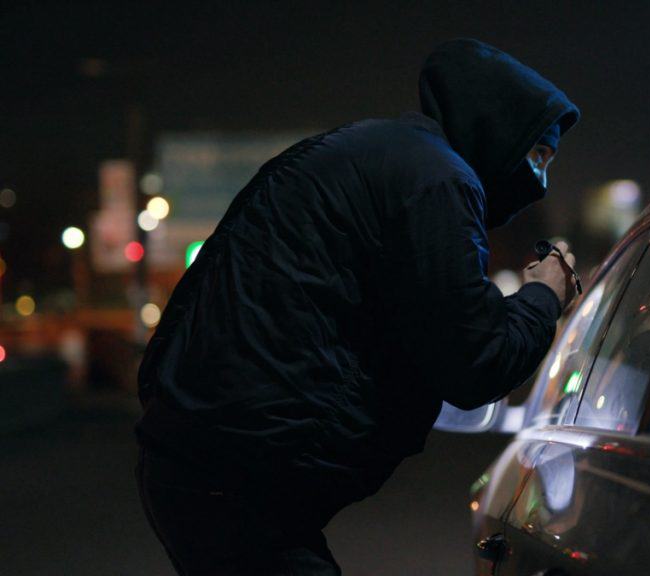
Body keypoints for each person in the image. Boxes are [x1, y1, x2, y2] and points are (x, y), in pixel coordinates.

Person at [134, 38, 579, 575]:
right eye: (537, 156)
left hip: (203, 457)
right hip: (244, 477)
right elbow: (477, 360)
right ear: (497, 129)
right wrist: (544, 293)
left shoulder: (362, 154)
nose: (542, 181)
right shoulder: (438, 181)